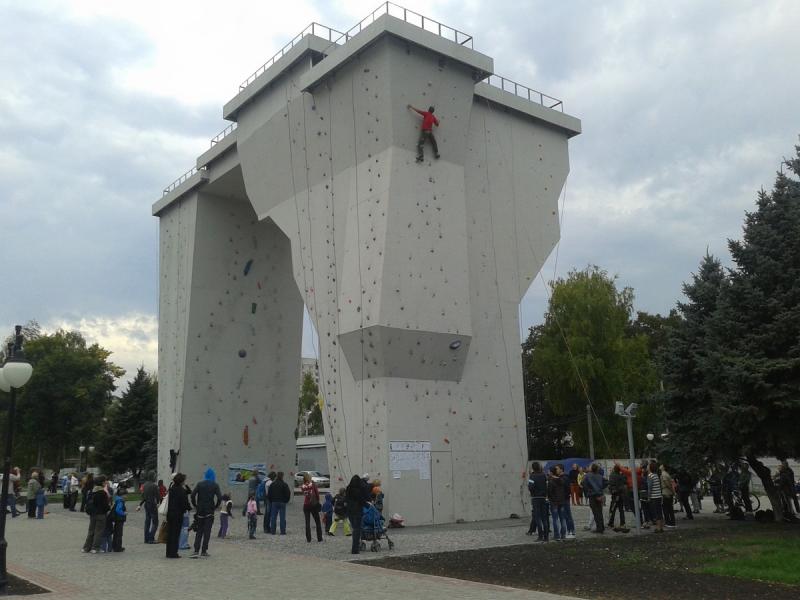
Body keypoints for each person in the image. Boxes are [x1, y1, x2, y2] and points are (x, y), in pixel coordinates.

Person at [190, 468, 222, 558]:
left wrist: (195, 505)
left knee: (199, 531)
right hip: (209, 511)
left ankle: (196, 550)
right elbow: (219, 497)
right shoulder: (215, 485)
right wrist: (215, 506)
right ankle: (204, 551)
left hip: (200, 510)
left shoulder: (200, 484)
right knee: (207, 531)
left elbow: (192, 495)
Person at [82, 475, 110, 553]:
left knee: (91, 531)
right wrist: (108, 508)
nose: (106, 482)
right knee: (99, 531)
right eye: (105, 481)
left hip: (92, 514)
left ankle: (86, 547)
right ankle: (95, 547)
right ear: (102, 483)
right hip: (101, 514)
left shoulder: (92, 491)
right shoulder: (102, 492)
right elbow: (104, 505)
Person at [165, 474, 190, 558]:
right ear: (181, 481)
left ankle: (168, 552)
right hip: (178, 514)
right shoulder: (181, 490)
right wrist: (188, 508)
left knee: (170, 533)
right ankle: (173, 553)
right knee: (176, 534)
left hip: (170, 513)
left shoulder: (171, 489)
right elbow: (184, 503)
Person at [346, 474, 369, 554]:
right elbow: (362, 500)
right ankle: (355, 549)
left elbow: (346, 499)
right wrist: (367, 504)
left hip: (349, 511)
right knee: (357, 529)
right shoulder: (360, 489)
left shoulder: (348, 488)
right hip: (357, 510)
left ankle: (356, 546)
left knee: (354, 528)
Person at [582, 463, 608, 534]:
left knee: (596, 513)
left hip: (592, 496)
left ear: (591, 468)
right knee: (599, 512)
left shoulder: (587, 476)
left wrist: (589, 491)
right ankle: (601, 527)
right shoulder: (600, 476)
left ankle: (599, 529)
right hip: (599, 495)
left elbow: (583, 484)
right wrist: (601, 488)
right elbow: (606, 482)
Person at [527, 462, 549, 542]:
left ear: (533, 468)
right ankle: (546, 537)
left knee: (538, 518)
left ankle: (540, 536)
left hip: (536, 498)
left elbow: (530, 487)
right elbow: (547, 486)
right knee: (544, 518)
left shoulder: (532, 476)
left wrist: (532, 491)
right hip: (543, 498)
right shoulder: (544, 475)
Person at [136, 471, 160, 543]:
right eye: (155, 475)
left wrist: (140, 505)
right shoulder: (154, 486)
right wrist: (158, 503)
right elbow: (158, 496)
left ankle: (146, 538)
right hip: (152, 504)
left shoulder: (144, 485)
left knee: (147, 522)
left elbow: (143, 497)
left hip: (146, 504)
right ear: (153, 476)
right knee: (155, 522)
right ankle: (151, 538)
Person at [301, 473, 323, 543]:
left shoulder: (302, 486)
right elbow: (317, 494)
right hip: (313, 505)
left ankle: (308, 539)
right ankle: (319, 538)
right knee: (317, 521)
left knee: (307, 522)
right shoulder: (313, 484)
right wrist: (317, 501)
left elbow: (305, 494)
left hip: (306, 505)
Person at [547, 466, 567, 541]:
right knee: (562, 519)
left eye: (549, 471)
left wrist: (550, 499)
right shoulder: (561, 480)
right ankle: (563, 534)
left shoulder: (551, 481)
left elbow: (549, 492)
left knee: (555, 519)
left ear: (552, 473)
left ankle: (557, 535)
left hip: (554, 502)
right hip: (561, 501)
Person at [607, 464, 628, 532]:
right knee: (621, 510)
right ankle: (622, 522)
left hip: (615, 495)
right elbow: (624, 483)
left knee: (612, 509)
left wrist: (612, 490)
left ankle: (610, 522)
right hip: (621, 494)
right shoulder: (621, 475)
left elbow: (610, 484)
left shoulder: (612, 475)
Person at [646, 463, 664, 533]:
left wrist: (649, 497)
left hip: (654, 497)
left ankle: (658, 528)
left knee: (656, 513)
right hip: (659, 496)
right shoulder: (656, 475)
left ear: (650, 468)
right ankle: (661, 527)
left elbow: (649, 487)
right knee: (659, 511)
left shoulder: (650, 476)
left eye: (648, 466)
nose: (647, 467)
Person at [111, 488, 127, 552]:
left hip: (116, 519)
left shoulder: (117, 499)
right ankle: (118, 547)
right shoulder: (120, 501)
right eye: (125, 495)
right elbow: (118, 510)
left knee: (116, 533)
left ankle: (114, 546)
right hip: (119, 519)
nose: (126, 496)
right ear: (122, 495)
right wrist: (124, 513)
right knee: (119, 533)